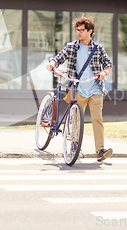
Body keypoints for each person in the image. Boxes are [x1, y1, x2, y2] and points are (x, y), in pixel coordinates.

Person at [46, 15, 113, 162]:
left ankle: (100, 150)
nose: (79, 33)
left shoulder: (98, 49)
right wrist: (52, 63)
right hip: (78, 88)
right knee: (76, 120)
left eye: (82, 30)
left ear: (90, 32)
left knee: (97, 119)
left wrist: (103, 73)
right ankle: (75, 146)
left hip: (95, 89)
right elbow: (58, 57)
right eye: (77, 30)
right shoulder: (71, 47)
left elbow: (109, 65)